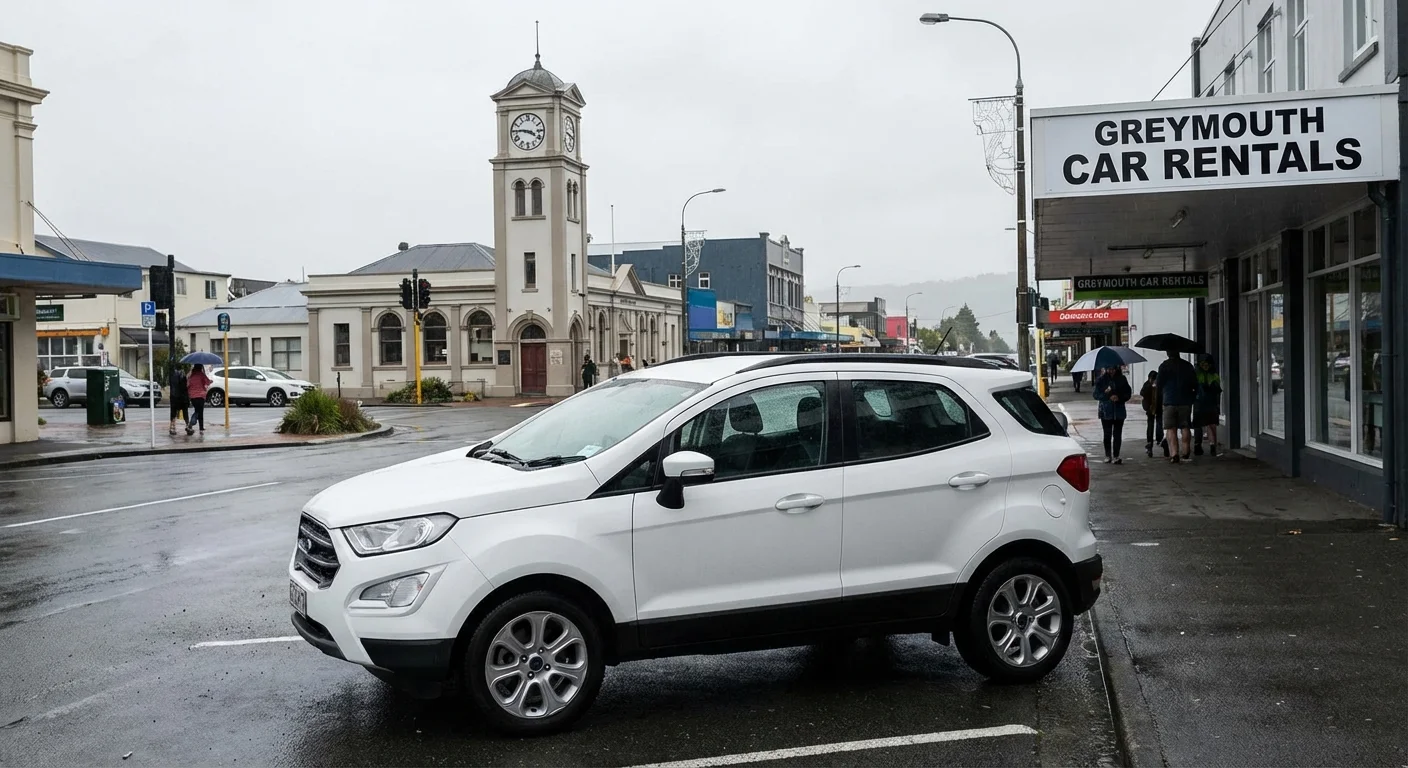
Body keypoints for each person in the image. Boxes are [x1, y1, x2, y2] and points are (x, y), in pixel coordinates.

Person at [1157, 350, 1198, 463]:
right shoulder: (1187, 366)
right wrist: (1192, 397)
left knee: (1171, 428)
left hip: (1169, 401)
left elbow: (1159, 384)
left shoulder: (1164, 366)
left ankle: (1174, 453)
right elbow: (1195, 383)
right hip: (1185, 401)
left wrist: (1160, 399)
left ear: (1168, 353)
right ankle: (1186, 452)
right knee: (1185, 426)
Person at [1094, 365, 1132, 464]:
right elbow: (1096, 395)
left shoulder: (1122, 379)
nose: (1111, 371)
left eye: (1113, 369)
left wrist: (1119, 397)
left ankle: (1116, 455)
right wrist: (1106, 394)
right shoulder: (1101, 380)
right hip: (1106, 411)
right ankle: (1107, 455)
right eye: (1109, 369)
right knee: (1107, 434)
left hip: (1119, 410)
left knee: (1117, 434)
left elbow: (1128, 393)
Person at [1194, 353, 1223, 456]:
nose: (1205, 366)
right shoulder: (1213, 375)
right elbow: (1217, 389)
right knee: (1210, 425)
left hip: (1201, 402)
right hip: (1210, 403)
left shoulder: (1197, 374)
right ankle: (1211, 446)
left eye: (1207, 364)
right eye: (1203, 364)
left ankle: (1199, 446)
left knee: (1200, 425)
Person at [1140, 370, 1167, 457]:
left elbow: (1163, 394)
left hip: (1158, 408)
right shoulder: (1147, 385)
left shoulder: (1160, 386)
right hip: (1150, 408)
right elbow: (1142, 393)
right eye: (1151, 379)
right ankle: (1150, 442)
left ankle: (1160, 439)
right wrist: (1150, 386)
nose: (1152, 381)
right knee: (1150, 426)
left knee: (1159, 424)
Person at [185, 363, 211, 435]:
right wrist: (210, 380)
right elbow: (208, 382)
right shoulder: (201, 375)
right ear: (200, 368)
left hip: (193, 397)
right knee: (199, 412)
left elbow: (187, 385)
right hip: (201, 396)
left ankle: (198, 427)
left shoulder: (191, 376)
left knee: (197, 411)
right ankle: (195, 425)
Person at [168, 365, 189, 436]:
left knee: (173, 412)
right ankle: (187, 426)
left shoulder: (172, 375)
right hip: (182, 397)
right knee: (185, 412)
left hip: (173, 396)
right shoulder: (182, 375)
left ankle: (172, 427)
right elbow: (184, 387)